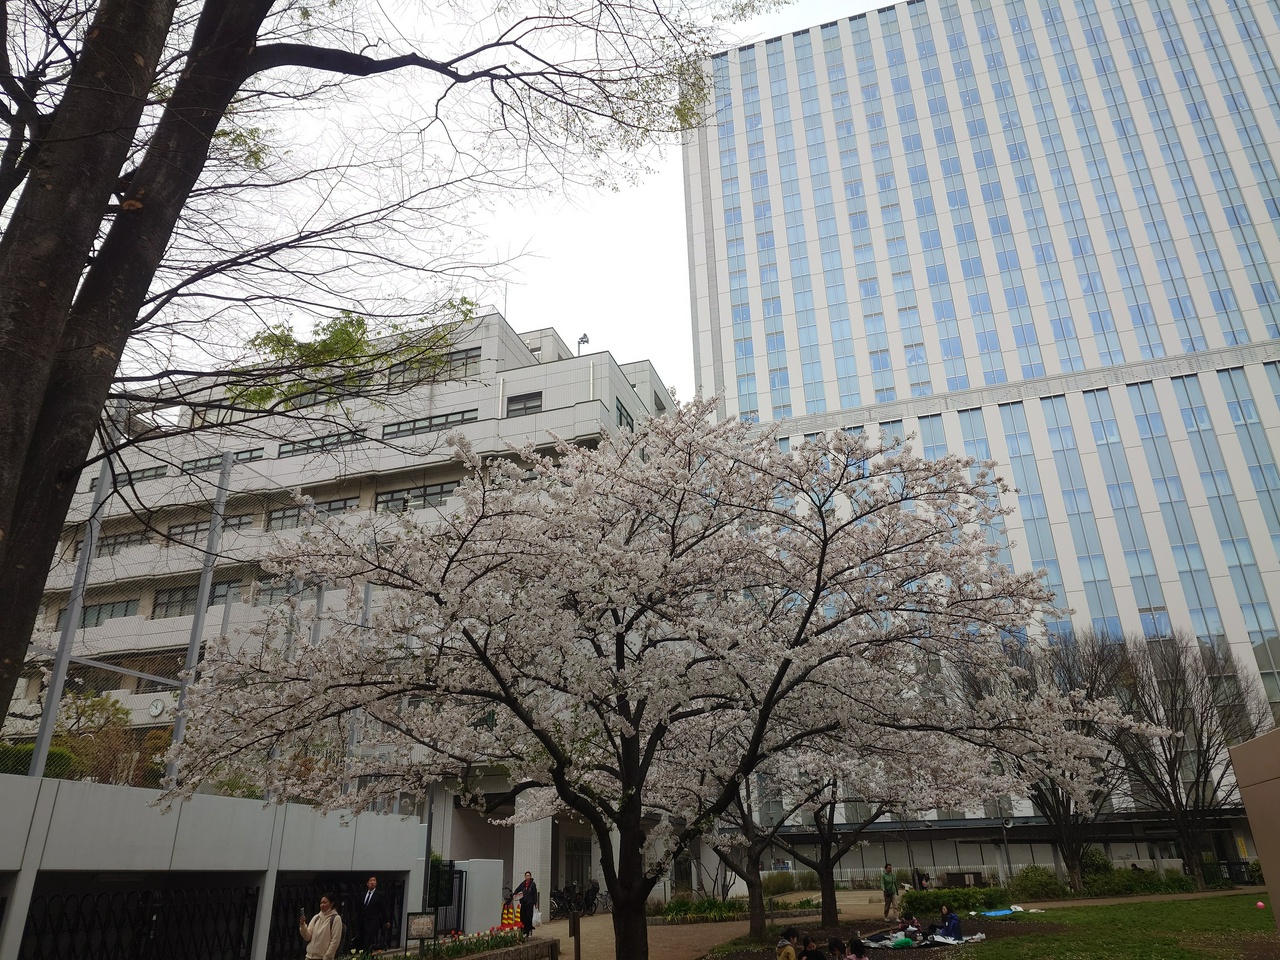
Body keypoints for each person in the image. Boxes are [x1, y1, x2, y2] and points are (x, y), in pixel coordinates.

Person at [299, 893, 343, 960]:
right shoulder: (316, 917)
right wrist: (303, 925)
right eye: (321, 903)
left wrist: (327, 957)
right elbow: (307, 937)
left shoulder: (336, 918)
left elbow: (335, 941)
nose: (322, 905)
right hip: (309, 957)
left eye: (325, 902)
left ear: (332, 903)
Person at [354, 875, 390, 952]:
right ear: (367, 883)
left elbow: (383, 909)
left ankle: (368, 955)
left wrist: (386, 921)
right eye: (371, 881)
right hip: (363, 921)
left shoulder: (379, 895)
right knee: (362, 939)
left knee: (369, 940)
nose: (372, 882)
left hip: (372, 922)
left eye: (374, 881)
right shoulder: (363, 895)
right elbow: (359, 908)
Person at [514, 870, 539, 938]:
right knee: (522, 917)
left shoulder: (533, 884)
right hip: (523, 903)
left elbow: (534, 894)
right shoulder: (523, 884)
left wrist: (535, 902)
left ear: (530, 876)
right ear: (525, 876)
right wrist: (514, 894)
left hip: (530, 903)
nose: (527, 877)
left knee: (528, 917)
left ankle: (529, 931)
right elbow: (518, 889)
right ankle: (523, 931)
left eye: (528, 875)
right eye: (526, 875)